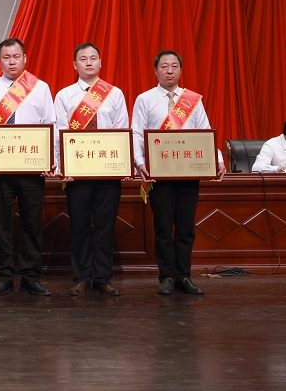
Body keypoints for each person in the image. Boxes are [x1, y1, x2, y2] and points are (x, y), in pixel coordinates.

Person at [132, 49, 225, 296]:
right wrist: (140, 163)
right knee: (163, 228)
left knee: (185, 228)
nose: (169, 70)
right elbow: (137, 134)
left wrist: (217, 159)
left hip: (188, 173)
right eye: (164, 66)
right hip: (159, 174)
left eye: (174, 66)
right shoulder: (145, 99)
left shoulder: (192, 100)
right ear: (155, 71)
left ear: (181, 70)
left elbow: (205, 132)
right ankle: (167, 277)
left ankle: (184, 276)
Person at [0, 38, 55, 297]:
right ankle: (4, 277)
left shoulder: (40, 88)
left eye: (16, 56)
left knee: (32, 224)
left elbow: (50, 125)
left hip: (32, 168)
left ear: (25, 59)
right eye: (6, 57)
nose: (11, 62)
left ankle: (31, 277)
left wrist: (50, 159)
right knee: (1, 225)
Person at [53, 43, 129, 296]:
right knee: (80, 226)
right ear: (74, 65)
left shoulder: (114, 94)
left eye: (93, 58)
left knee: (106, 226)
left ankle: (103, 278)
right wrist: (62, 166)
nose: (88, 62)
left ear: (100, 62)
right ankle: (82, 276)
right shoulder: (64, 95)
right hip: (77, 173)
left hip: (107, 171)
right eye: (83, 59)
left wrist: (122, 164)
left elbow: (121, 131)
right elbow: (59, 134)